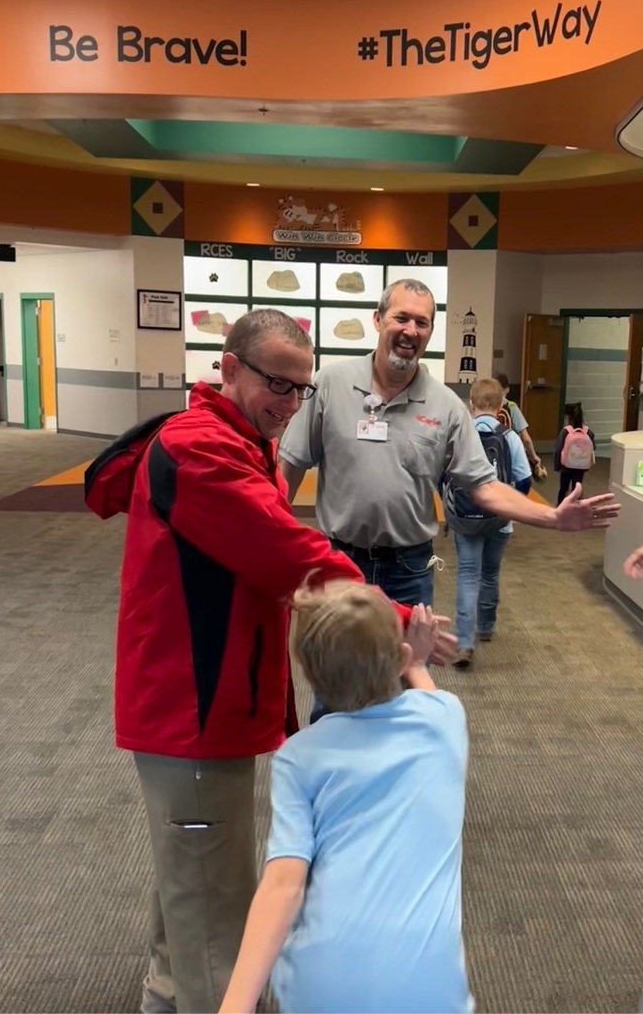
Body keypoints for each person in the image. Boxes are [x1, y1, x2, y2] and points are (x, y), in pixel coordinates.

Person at [94, 308, 456, 1014]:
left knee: (194, 879)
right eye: (276, 385)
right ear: (229, 368)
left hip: (208, 702)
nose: (289, 405)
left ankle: (167, 997)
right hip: (189, 708)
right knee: (215, 911)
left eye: (301, 389)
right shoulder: (202, 449)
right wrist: (392, 615)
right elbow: (286, 554)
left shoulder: (235, 438)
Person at [219, 581, 472, 1014]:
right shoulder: (446, 719)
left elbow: (283, 885)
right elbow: (425, 692)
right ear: (400, 659)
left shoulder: (298, 756)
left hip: (322, 982)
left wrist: (234, 1006)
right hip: (430, 985)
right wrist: (417, 661)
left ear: (309, 675)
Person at [279, 278, 619, 597]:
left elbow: (485, 486)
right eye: (401, 318)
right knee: (334, 645)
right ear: (378, 319)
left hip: (408, 569)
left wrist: (552, 517)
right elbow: (290, 466)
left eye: (422, 322)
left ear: (430, 332)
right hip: (338, 561)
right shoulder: (330, 384)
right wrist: (273, 539)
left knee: (411, 645)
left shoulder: (447, 406)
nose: (410, 331)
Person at [445, 378, 532, 669]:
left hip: (465, 518)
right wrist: (509, 505)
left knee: (468, 575)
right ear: (500, 405)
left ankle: (464, 643)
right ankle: (486, 626)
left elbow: (443, 475)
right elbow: (524, 479)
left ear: (471, 403)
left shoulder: (460, 435)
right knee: (491, 573)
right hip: (500, 520)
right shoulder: (510, 437)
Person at [494, 372, 542, 471]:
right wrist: (533, 455)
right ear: (507, 389)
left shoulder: (488, 406)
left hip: (493, 453)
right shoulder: (511, 406)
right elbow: (526, 438)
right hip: (510, 454)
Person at [554, 401, 596, 506]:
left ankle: (560, 507)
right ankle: (577, 507)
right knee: (577, 488)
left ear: (568, 417)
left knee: (563, 488)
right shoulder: (588, 432)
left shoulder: (566, 431)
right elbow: (593, 448)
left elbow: (558, 449)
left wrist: (557, 466)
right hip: (581, 466)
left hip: (566, 466)